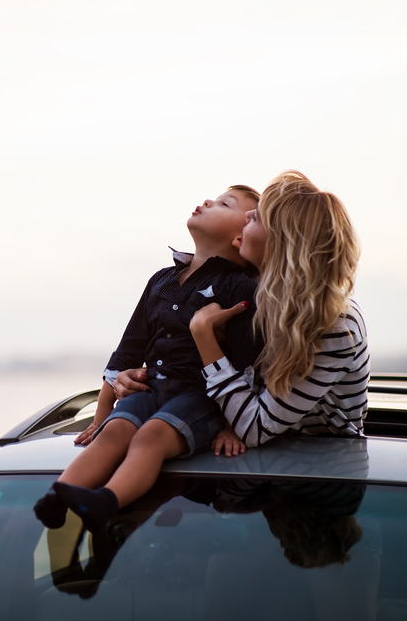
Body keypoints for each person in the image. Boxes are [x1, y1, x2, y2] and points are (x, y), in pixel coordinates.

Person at [33, 185, 264, 533]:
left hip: (200, 398)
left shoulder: (238, 288)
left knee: (149, 437)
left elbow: (249, 361)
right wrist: (100, 416)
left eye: (223, 204)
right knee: (115, 431)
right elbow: (129, 349)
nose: (207, 201)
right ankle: (59, 495)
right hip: (150, 388)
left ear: (238, 239)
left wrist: (233, 428)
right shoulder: (161, 280)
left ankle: (108, 502)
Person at [189, 170, 369, 450]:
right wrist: (141, 377)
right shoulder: (247, 292)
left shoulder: (333, 323)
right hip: (248, 473)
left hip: (315, 476)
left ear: (282, 241)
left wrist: (203, 334)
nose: (247, 217)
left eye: (257, 217)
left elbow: (255, 427)